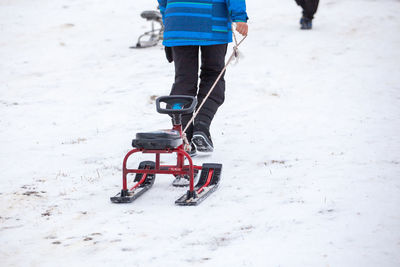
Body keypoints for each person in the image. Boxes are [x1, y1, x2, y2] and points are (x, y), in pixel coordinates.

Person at [157, 0, 248, 155]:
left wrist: (169, 20)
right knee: (213, 75)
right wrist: (239, 17)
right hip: (212, 18)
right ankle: (201, 126)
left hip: (177, 20)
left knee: (183, 79)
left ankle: (183, 134)